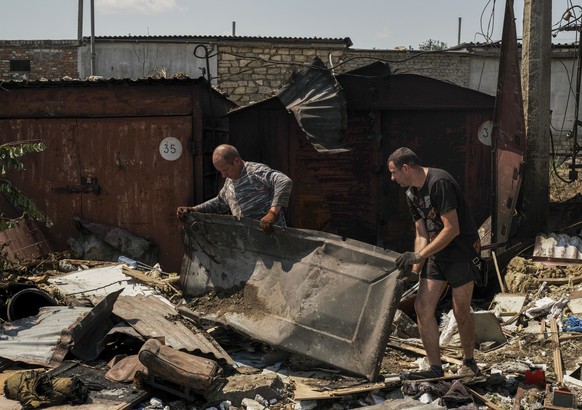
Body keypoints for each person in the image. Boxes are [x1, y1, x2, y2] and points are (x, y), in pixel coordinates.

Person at [387, 146, 482, 380]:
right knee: (422, 307)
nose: (392, 178)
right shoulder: (411, 194)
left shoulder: (439, 183)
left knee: (460, 308)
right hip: (437, 253)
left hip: (461, 250)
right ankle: (435, 368)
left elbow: (452, 229)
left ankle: (469, 362)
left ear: (406, 168)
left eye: (394, 172)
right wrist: (415, 269)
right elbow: (421, 234)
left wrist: (419, 256)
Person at [176, 144, 292, 233]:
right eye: (220, 171)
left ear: (236, 161)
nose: (223, 175)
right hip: (249, 241)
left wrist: (272, 213)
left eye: (226, 170)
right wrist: (193, 209)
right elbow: (220, 203)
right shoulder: (229, 181)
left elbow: (284, 181)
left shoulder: (255, 171)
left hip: (272, 236)